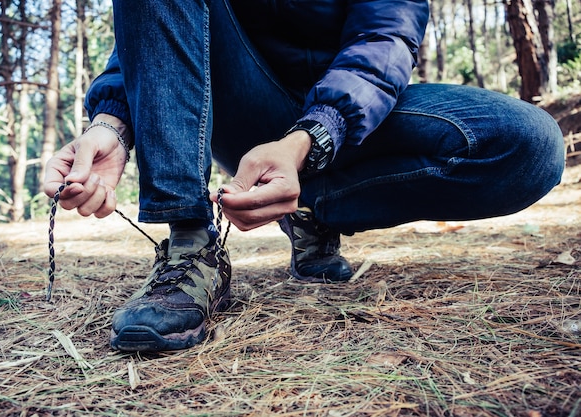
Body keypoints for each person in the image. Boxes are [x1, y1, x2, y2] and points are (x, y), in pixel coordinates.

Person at [44, 0, 565, 352]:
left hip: (346, 116)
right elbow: (155, 33)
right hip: (239, 107)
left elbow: (386, 37)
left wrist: (310, 140)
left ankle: (311, 208)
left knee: (531, 144)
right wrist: (111, 123)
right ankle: (191, 243)